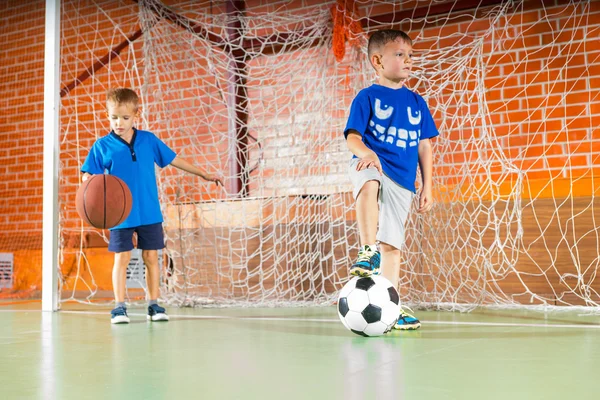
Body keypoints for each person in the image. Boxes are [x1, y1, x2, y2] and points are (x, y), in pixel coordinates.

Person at [81, 88, 222, 324]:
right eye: (114, 117)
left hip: (149, 211)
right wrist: (87, 182)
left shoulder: (148, 140)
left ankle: (154, 305)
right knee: (122, 259)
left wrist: (203, 173)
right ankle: (119, 307)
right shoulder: (102, 146)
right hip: (120, 215)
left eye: (125, 118)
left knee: (151, 258)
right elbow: (87, 174)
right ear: (107, 116)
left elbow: (174, 159)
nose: (119, 122)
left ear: (136, 115)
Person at [344, 30, 439, 330]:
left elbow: (425, 145)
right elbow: (353, 138)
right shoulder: (367, 97)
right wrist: (367, 154)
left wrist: (428, 185)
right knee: (368, 180)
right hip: (373, 165)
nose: (408, 60)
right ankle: (366, 250)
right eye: (399, 55)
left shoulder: (416, 102)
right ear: (377, 60)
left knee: (394, 247)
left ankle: (392, 309)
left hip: (403, 179)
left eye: (410, 55)